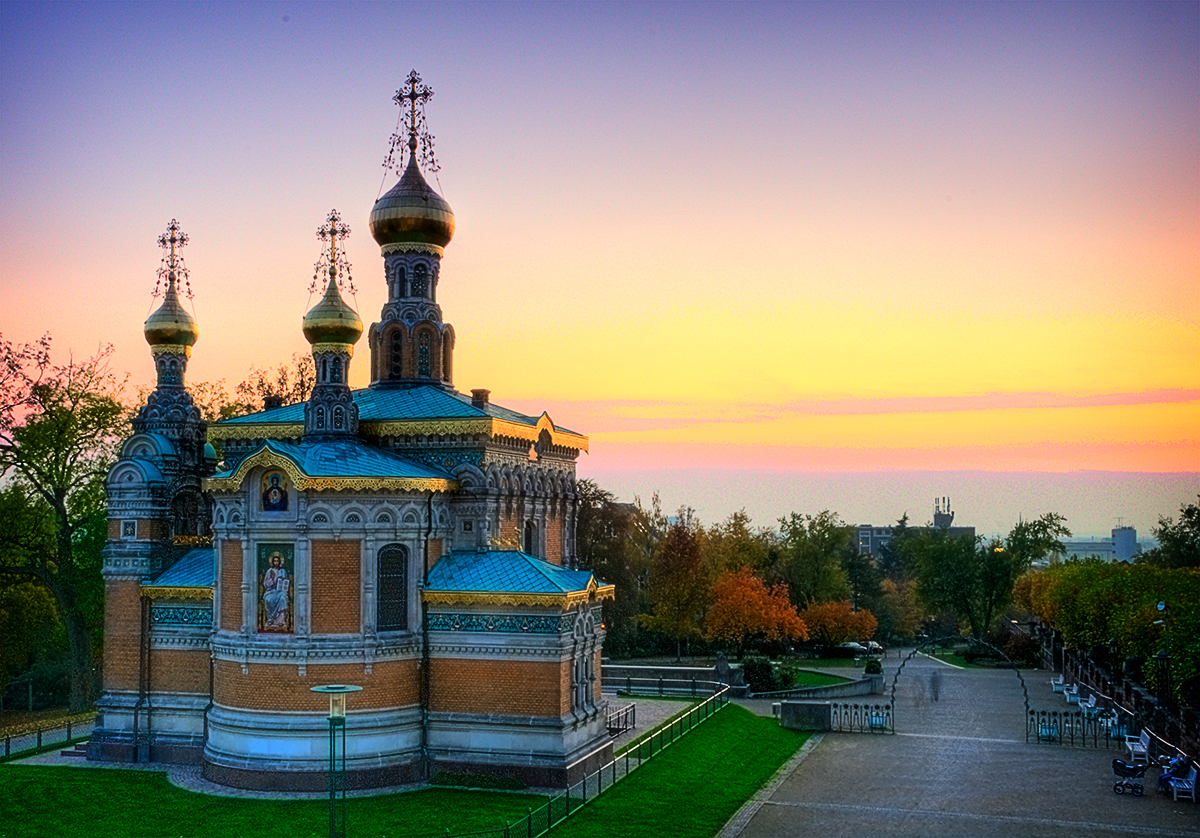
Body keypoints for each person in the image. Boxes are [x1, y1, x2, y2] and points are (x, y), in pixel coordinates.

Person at [261, 552, 290, 630]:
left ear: (280, 562)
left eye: (277, 561)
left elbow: (286, 581)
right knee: (269, 599)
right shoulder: (270, 571)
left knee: (283, 598)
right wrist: (273, 579)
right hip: (271, 591)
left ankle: (281, 620)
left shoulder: (283, 571)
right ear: (272, 562)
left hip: (281, 591)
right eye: (275, 561)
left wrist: (284, 584)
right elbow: (266, 584)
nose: (276, 563)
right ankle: (270, 619)